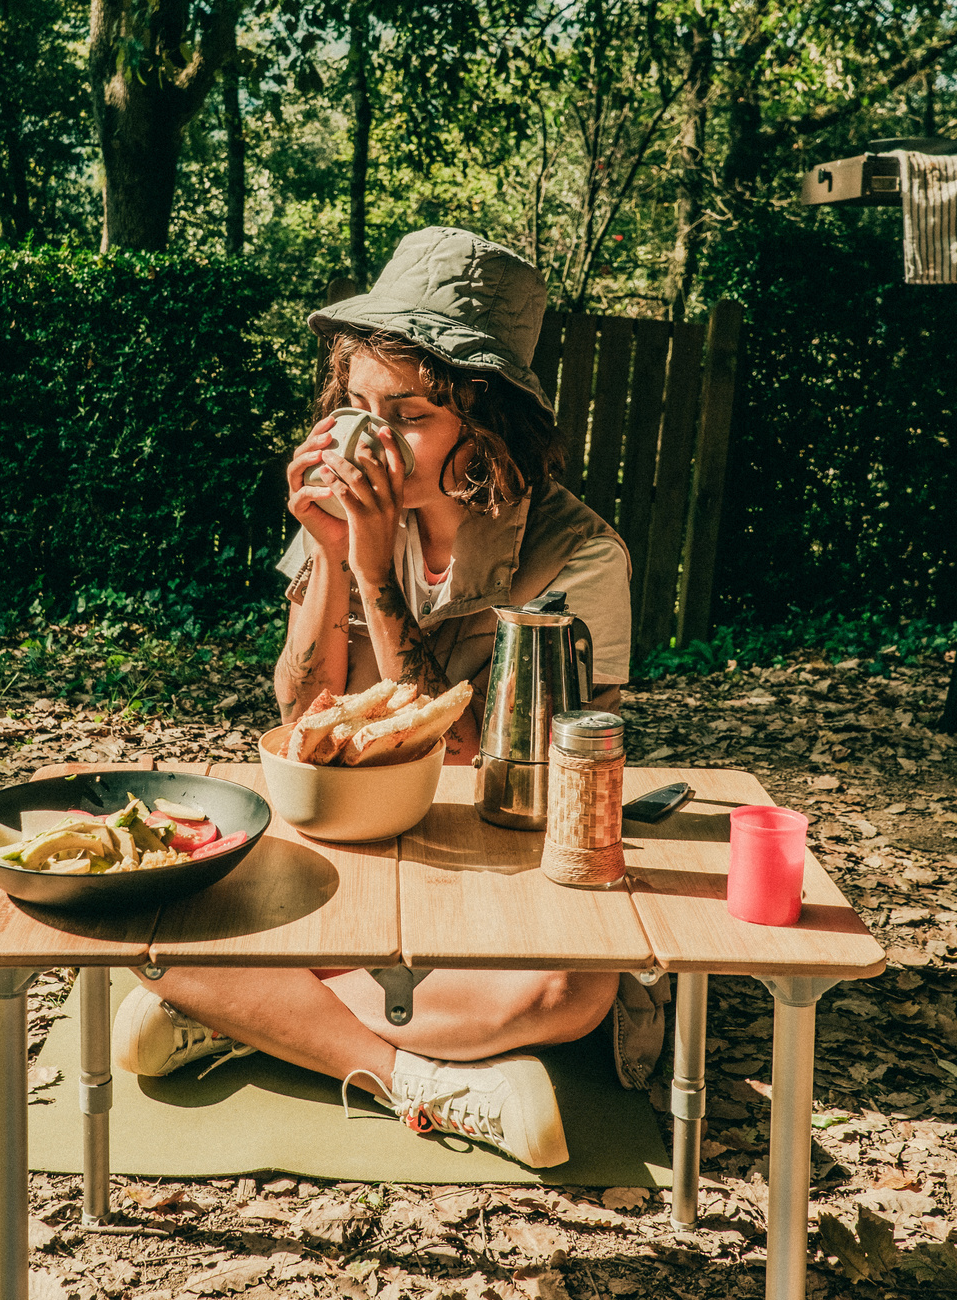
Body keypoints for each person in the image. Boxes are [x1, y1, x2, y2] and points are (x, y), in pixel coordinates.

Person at [112, 227, 663, 1169]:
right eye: (357, 407)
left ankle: (255, 1014)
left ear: (486, 424)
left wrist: (374, 575)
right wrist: (332, 557)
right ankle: (418, 1080)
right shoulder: (346, 512)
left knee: (566, 994)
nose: (367, 440)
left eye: (407, 415)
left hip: (490, 863)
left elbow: (483, 761)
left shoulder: (581, 556)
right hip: (344, 846)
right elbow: (303, 715)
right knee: (144, 908)